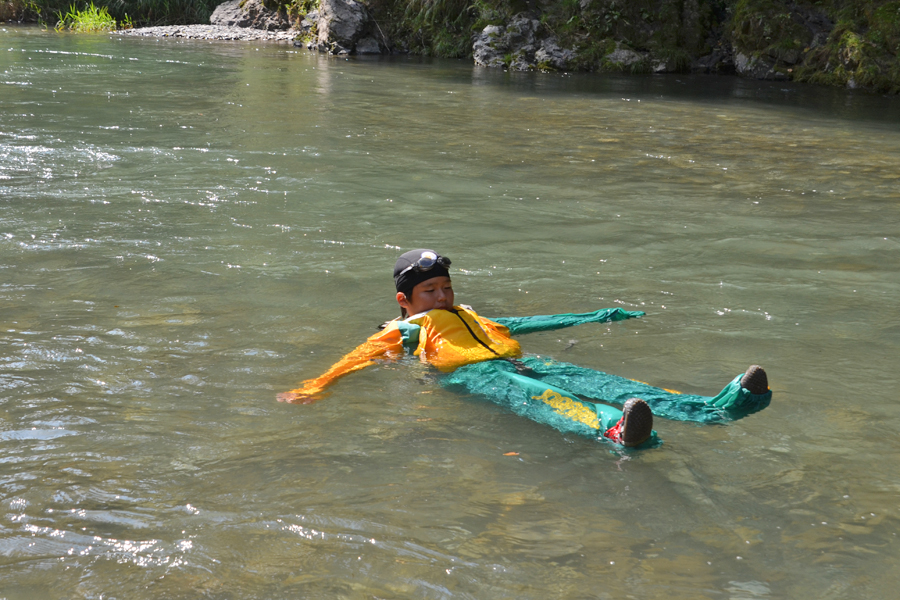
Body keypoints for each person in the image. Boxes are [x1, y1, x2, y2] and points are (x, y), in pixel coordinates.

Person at [278, 249, 772, 448]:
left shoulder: (470, 313)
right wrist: (316, 385)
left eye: (446, 287)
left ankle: (716, 409)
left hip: (521, 360)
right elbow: (360, 355)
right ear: (406, 300)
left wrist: (598, 314)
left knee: (607, 383)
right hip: (478, 376)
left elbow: (529, 322)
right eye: (431, 292)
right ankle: (619, 432)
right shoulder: (406, 327)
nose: (443, 297)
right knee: (551, 400)